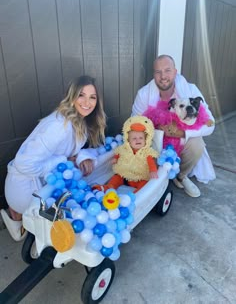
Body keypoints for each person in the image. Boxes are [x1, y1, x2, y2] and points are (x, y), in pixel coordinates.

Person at [1, 75, 106, 241]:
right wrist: (63, 162)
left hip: (43, 184)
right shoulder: (59, 126)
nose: (87, 102)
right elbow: (24, 164)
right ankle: (17, 214)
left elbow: (71, 152)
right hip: (25, 191)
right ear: (72, 96)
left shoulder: (80, 123)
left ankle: (19, 219)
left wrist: (81, 157)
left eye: (92, 97)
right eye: (81, 95)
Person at [132, 54, 216, 198]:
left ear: (175, 72)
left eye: (167, 70)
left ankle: (181, 176)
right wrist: (157, 130)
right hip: (154, 142)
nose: (163, 76)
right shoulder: (143, 94)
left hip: (181, 142)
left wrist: (182, 133)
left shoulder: (190, 90)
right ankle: (157, 175)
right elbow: (133, 124)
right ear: (154, 74)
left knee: (197, 144)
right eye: (158, 72)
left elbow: (210, 125)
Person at [93, 115, 158, 193]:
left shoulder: (147, 152)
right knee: (116, 177)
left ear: (146, 140)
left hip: (140, 178)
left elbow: (151, 163)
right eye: (134, 138)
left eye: (141, 138)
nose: (138, 140)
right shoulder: (124, 148)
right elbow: (118, 152)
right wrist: (115, 158)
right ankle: (109, 187)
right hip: (124, 175)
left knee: (144, 184)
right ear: (128, 140)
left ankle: (137, 195)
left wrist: (153, 171)